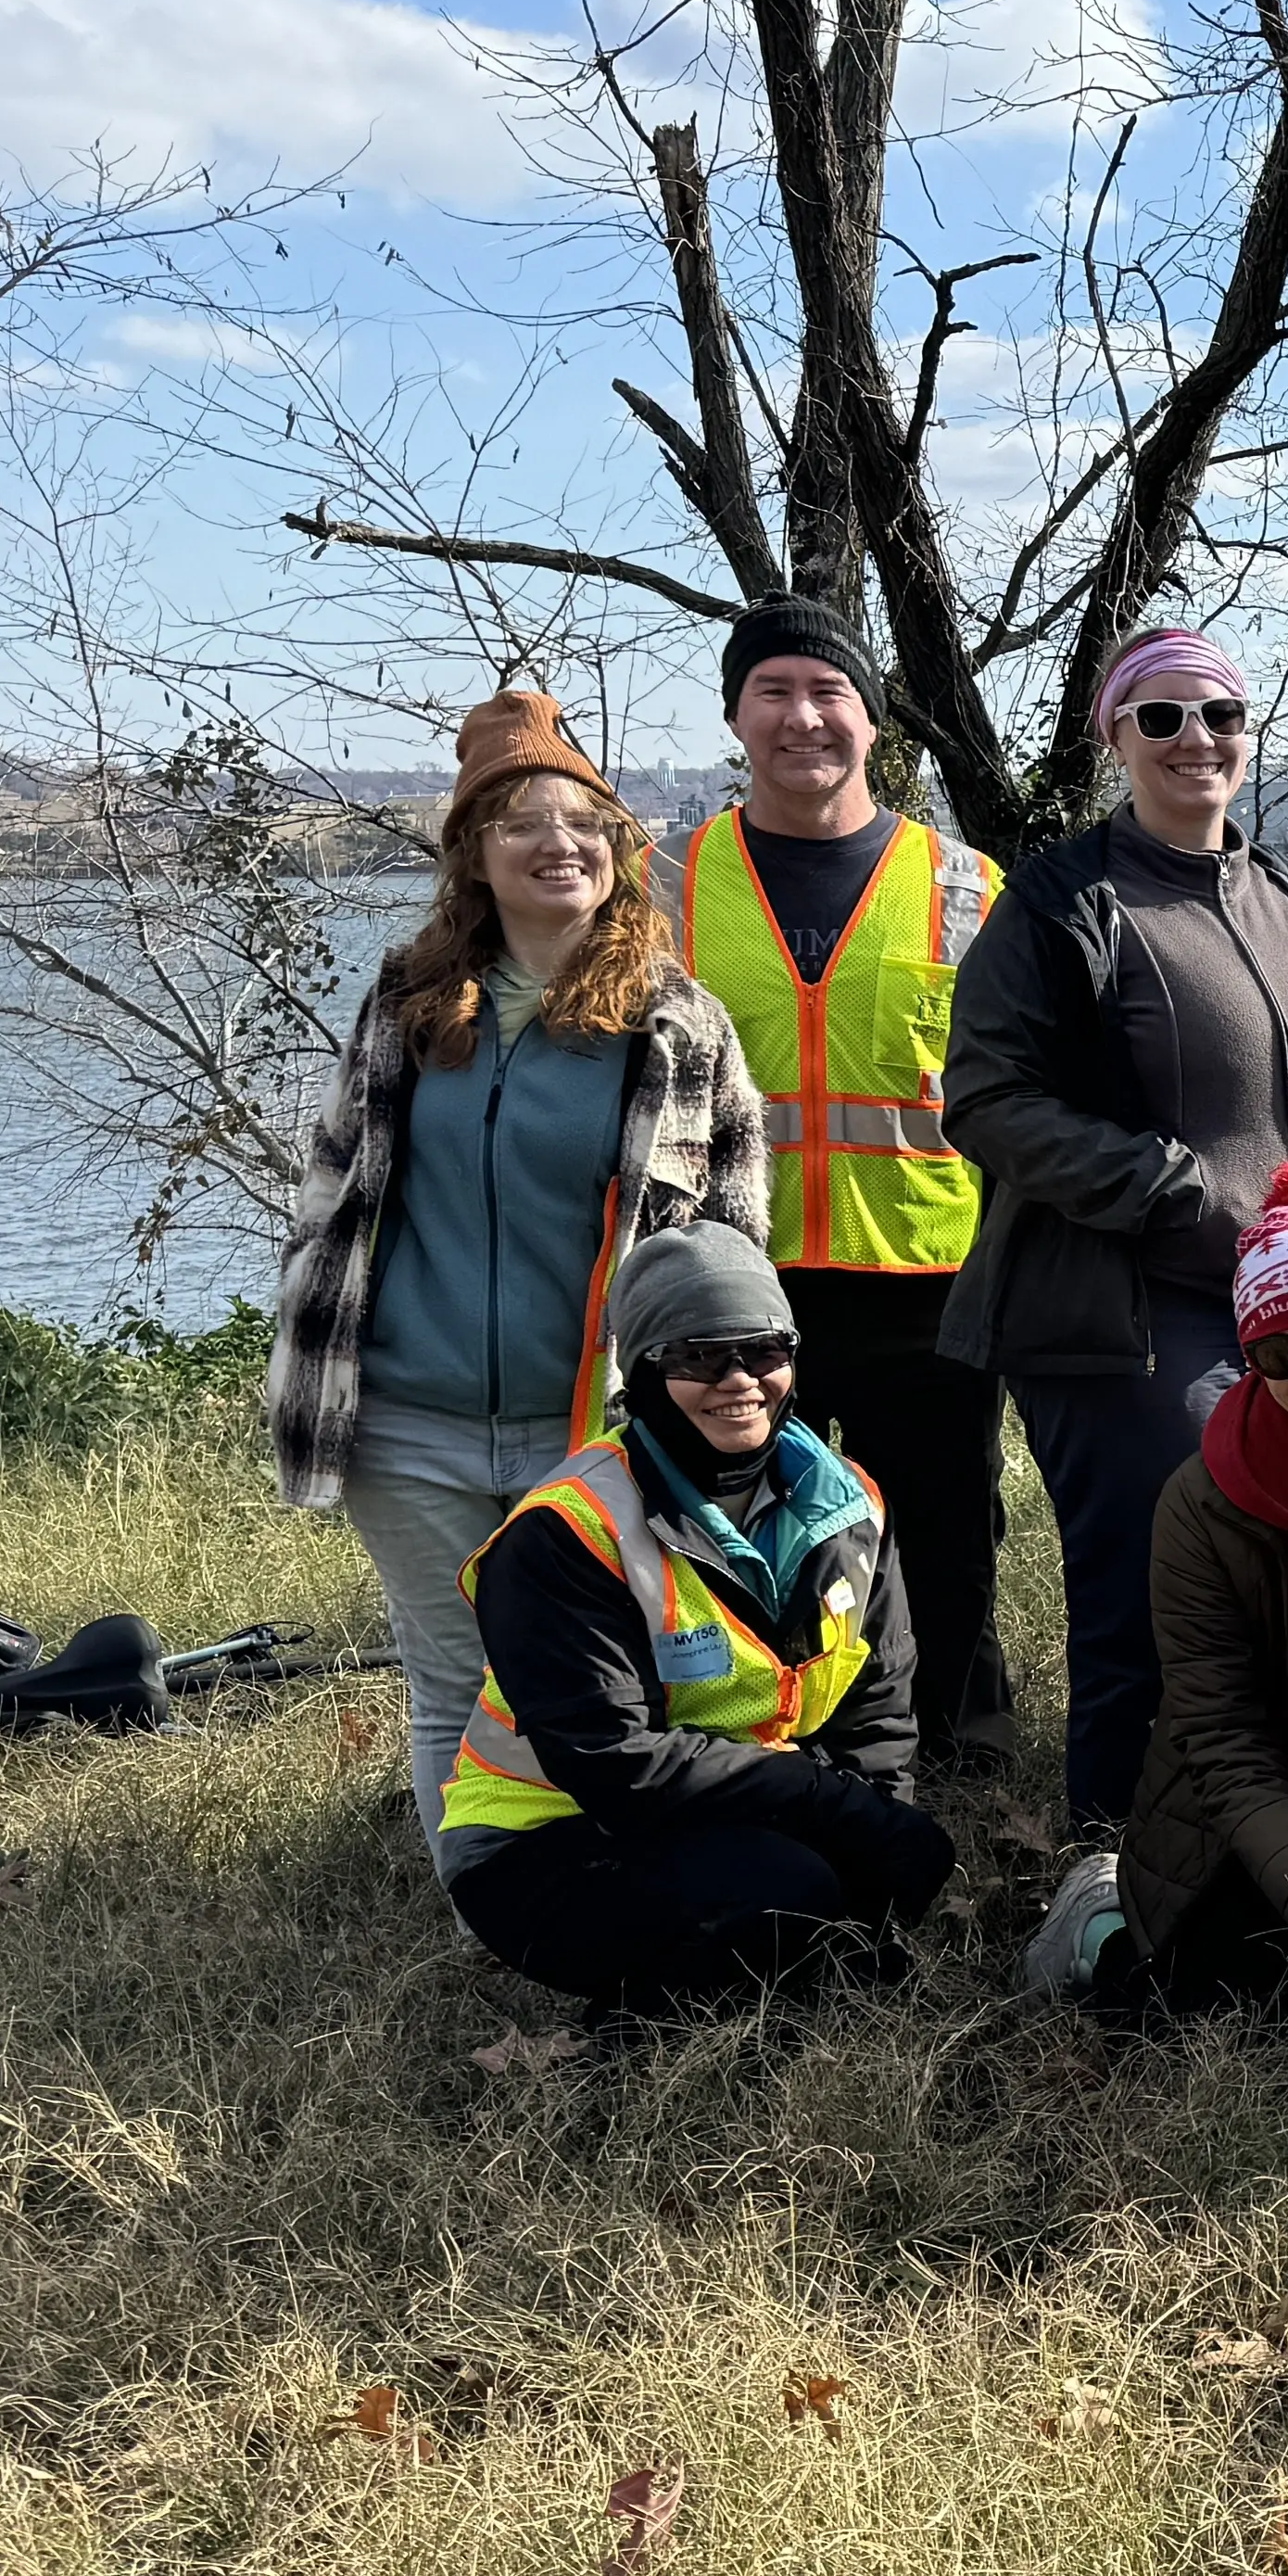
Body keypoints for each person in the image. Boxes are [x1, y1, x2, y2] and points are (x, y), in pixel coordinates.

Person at [272, 685, 771, 1852]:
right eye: (521, 825)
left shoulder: (676, 1024)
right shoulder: (404, 1004)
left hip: (594, 1429)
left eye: (583, 823)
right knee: (455, 1682)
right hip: (408, 1422)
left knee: (615, 1678)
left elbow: (732, 1248)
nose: (558, 845)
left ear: (616, 847)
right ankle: (487, 1916)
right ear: (473, 858)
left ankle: (628, 1900)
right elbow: (331, 1193)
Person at [941, 621, 1288, 1841]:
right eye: (1162, 718)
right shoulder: (1062, 905)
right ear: (1116, 738)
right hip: (1129, 1313)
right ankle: (1117, 1871)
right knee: (1153, 1593)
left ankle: (1275, 1846)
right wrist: (1175, 1188)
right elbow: (986, 1100)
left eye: (1221, 716)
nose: (1196, 738)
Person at [661, 592, 1016, 1758]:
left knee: (948, 1524)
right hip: (735, 1277)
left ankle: (961, 1738)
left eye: (831, 694)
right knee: (738, 1526)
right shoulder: (667, 883)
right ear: (735, 716)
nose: (803, 717)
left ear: (874, 724)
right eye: (774, 692)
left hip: (930, 1270)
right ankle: (766, 1737)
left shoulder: (964, 885)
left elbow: (1019, 1078)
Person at [435, 1221, 953, 2005]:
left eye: (766, 1350)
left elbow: (876, 1708)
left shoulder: (851, 1503)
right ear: (642, 1375)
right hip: (548, 1837)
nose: (740, 1380)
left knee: (900, 1863)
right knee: (786, 1892)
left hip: (732, 1803)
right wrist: (826, 1802)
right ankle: (648, 2035)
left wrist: (880, 1838)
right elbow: (617, 1767)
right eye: (701, 1357)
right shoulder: (566, 1531)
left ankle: (782, 1970)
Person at [1023, 1166, 1288, 2006]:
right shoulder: (1201, 1503)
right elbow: (1218, 1734)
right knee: (1208, 2002)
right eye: (1284, 1352)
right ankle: (1097, 1915)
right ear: (1251, 1361)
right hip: (1262, 1792)